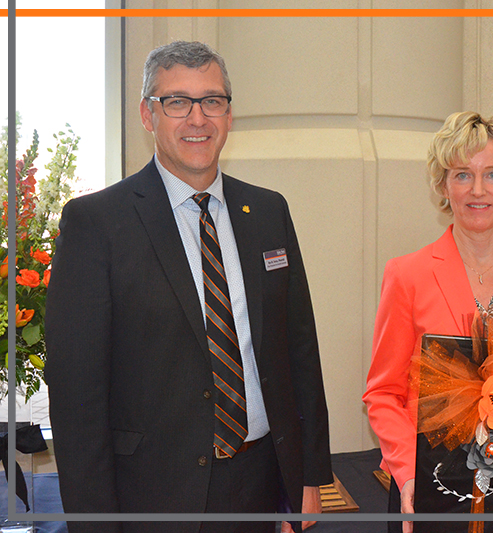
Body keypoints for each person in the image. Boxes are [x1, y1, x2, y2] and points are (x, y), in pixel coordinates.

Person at [45, 41, 332, 533]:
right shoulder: (97, 223)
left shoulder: (268, 212)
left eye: (212, 101)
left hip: (261, 483)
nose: (197, 118)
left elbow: (300, 352)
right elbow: (77, 399)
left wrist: (309, 475)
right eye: (177, 101)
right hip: (150, 498)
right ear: (147, 114)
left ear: (229, 114)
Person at [362, 111, 493, 533]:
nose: (478, 190)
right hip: (429, 486)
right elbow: (383, 393)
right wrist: (408, 472)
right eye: (462, 175)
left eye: (492, 174)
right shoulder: (407, 275)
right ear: (443, 184)